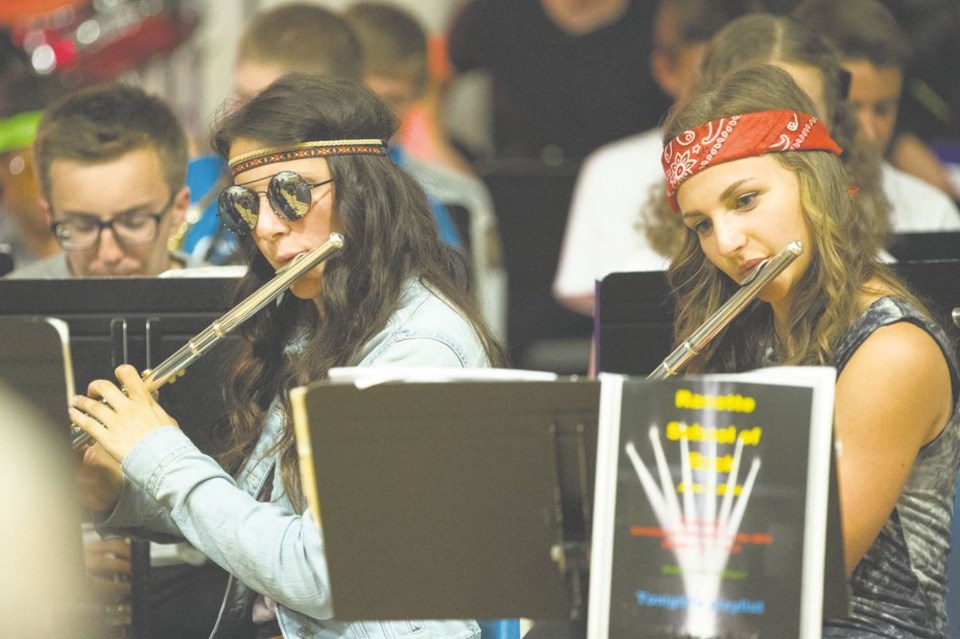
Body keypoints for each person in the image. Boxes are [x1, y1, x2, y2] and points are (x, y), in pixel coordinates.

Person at [71, 73, 505, 639]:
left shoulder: (416, 350)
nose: (269, 229)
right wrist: (124, 489)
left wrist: (160, 454)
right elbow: (264, 523)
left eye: (291, 194)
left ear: (363, 192)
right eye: (247, 205)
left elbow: (322, 573)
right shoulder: (317, 320)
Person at [662, 62, 960, 636]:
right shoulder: (742, 332)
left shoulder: (891, 350)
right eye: (701, 224)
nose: (725, 242)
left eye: (745, 200)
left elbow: (795, 575)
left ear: (813, 183)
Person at [182, 2, 462, 265]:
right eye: (241, 97)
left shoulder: (404, 206)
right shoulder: (194, 180)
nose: (242, 118)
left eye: (267, 104)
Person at [552, 0, 757, 315]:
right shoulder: (612, 170)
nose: (722, 103)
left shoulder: (780, 161)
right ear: (665, 70)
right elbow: (605, 296)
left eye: (739, 84)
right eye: (707, 85)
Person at [344, 0, 505, 338]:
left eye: (396, 100)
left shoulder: (457, 197)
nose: (382, 117)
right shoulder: (302, 188)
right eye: (370, 96)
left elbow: (487, 324)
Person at [6, 82, 204, 278]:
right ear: (49, 215)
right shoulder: (10, 306)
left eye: (133, 223)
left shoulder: (227, 302)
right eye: (82, 226)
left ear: (179, 209)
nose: (109, 255)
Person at [446, 0, 669, 161]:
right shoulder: (495, 11)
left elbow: (694, 98)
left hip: (631, 196)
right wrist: (457, 170)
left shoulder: (662, 16)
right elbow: (427, 76)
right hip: (520, 199)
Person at [792, 0, 960, 205]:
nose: (869, 134)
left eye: (882, 110)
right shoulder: (764, 207)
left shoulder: (932, 214)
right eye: (850, 108)